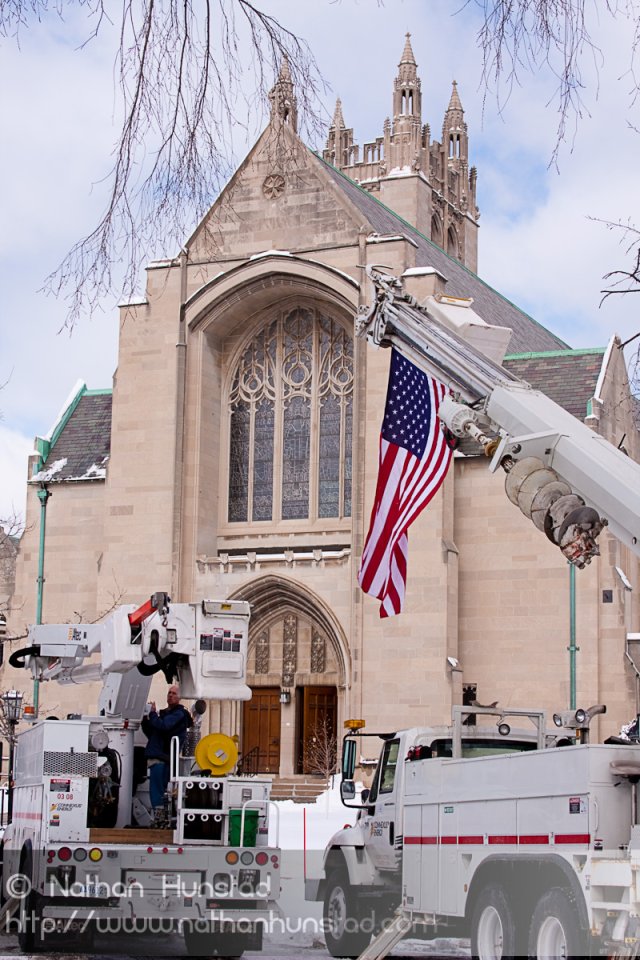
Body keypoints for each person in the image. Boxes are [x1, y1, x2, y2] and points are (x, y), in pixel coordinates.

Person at [141, 684, 192, 820]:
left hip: (162, 757)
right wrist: (146, 719)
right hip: (162, 756)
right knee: (161, 790)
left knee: (157, 790)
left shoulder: (179, 714)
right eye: (169, 692)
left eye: (174, 693)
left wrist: (152, 714)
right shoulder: (166, 715)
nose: (170, 695)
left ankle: (160, 819)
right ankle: (162, 818)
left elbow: (163, 726)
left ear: (180, 697)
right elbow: (152, 732)